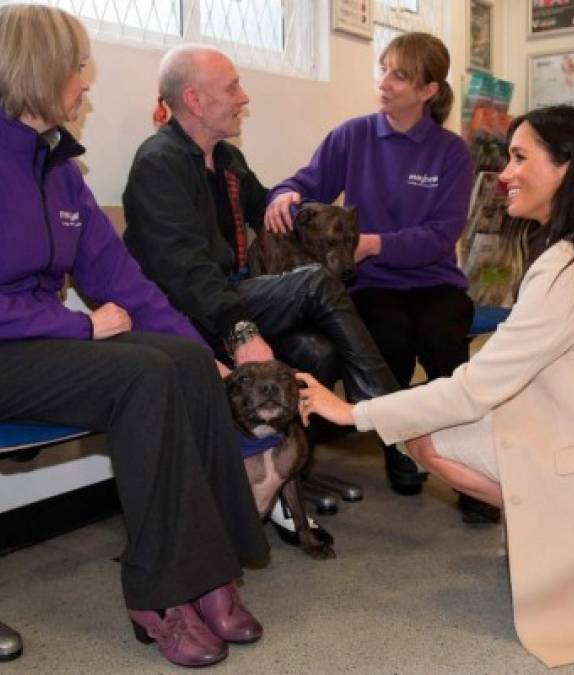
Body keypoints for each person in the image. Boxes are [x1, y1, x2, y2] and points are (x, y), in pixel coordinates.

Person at [0, 6, 268, 668]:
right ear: (37, 69)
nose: (87, 81)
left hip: (32, 347)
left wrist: (207, 354)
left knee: (177, 359)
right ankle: (159, 594)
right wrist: (79, 324)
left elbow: (123, 280)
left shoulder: (60, 169)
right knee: (140, 374)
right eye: (79, 65)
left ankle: (213, 571)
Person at [294, 105, 574, 668]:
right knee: (440, 420)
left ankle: (570, 539)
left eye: (520, 157)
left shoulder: (567, 267)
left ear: (568, 170)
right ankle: (569, 531)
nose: (504, 173)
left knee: (425, 439)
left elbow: (474, 387)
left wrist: (351, 412)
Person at [121, 45, 424, 508]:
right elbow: (190, 275)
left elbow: (269, 210)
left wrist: (289, 202)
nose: (244, 97)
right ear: (196, 101)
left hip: (227, 297)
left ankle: (287, 472)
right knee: (316, 282)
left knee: (315, 352)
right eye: (233, 87)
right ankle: (390, 420)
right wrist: (241, 331)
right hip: (186, 314)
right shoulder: (158, 165)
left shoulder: (224, 159)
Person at [264, 32, 497, 524]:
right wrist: (284, 196)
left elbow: (441, 234)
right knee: (386, 338)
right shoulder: (352, 136)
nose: (385, 83)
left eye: (400, 75)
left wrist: (374, 243)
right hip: (373, 284)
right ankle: (401, 447)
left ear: (428, 91)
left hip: (435, 281)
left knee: (442, 344)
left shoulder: (451, 153)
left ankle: (472, 466)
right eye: (384, 69)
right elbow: (307, 182)